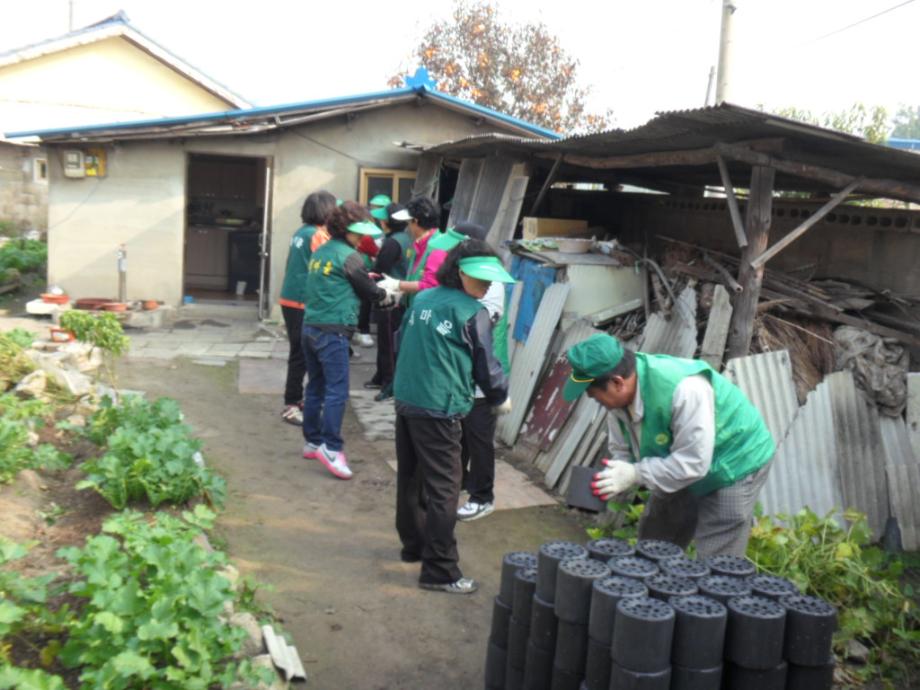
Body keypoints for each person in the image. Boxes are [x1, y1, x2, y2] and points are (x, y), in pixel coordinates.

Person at [563, 334, 775, 557]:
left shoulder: (685, 390)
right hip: (681, 457)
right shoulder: (618, 402)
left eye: (595, 395)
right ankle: (650, 581)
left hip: (735, 459)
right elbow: (623, 450)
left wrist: (635, 473)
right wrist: (616, 474)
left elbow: (693, 464)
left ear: (617, 383)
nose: (594, 400)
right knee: (657, 532)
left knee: (718, 559)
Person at [393, 239, 514, 594]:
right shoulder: (472, 312)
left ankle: (413, 547)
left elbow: (401, 342)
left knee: (412, 480)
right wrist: (499, 395)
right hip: (441, 406)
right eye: (481, 278)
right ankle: (440, 571)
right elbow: (486, 367)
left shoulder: (424, 300)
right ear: (460, 271)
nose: (488, 285)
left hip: (408, 399)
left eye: (492, 279)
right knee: (446, 488)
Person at [301, 201, 395, 480]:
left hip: (311, 326)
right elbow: (368, 291)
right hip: (333, 331)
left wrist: (367, 279)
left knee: (316, 386)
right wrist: (385, 294)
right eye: (361, 230)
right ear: (351, 230)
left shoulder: (323, 251)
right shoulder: (350, 256)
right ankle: (331, 448)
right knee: (337, 391)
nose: (364, 235)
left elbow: (343, 280)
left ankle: (312, 441)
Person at [277, 190, 337, 426]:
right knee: (301, 354)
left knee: (298, 352)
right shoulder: (318, 236)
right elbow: (329, 267)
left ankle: (296, 400)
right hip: (303, 301)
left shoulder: (300, 233)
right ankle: (292, 404)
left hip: (289, 298)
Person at [365, 203, 412, 399]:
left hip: (391, 297)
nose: (380, 221)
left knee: (388, 341)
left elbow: (380, 267)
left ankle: (389, 382)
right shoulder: (405, 238)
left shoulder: (392, 243)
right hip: (400, 297)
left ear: (388, 222)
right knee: (387, 339)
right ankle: (381, 375)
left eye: (382, 218)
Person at [378, 196, 443, 304]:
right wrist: (402, 292)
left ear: (415, 221)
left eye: (409, 222)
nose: (408, 227)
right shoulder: (420, 242)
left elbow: (430, 284)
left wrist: (398, 285)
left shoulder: (438, 246)